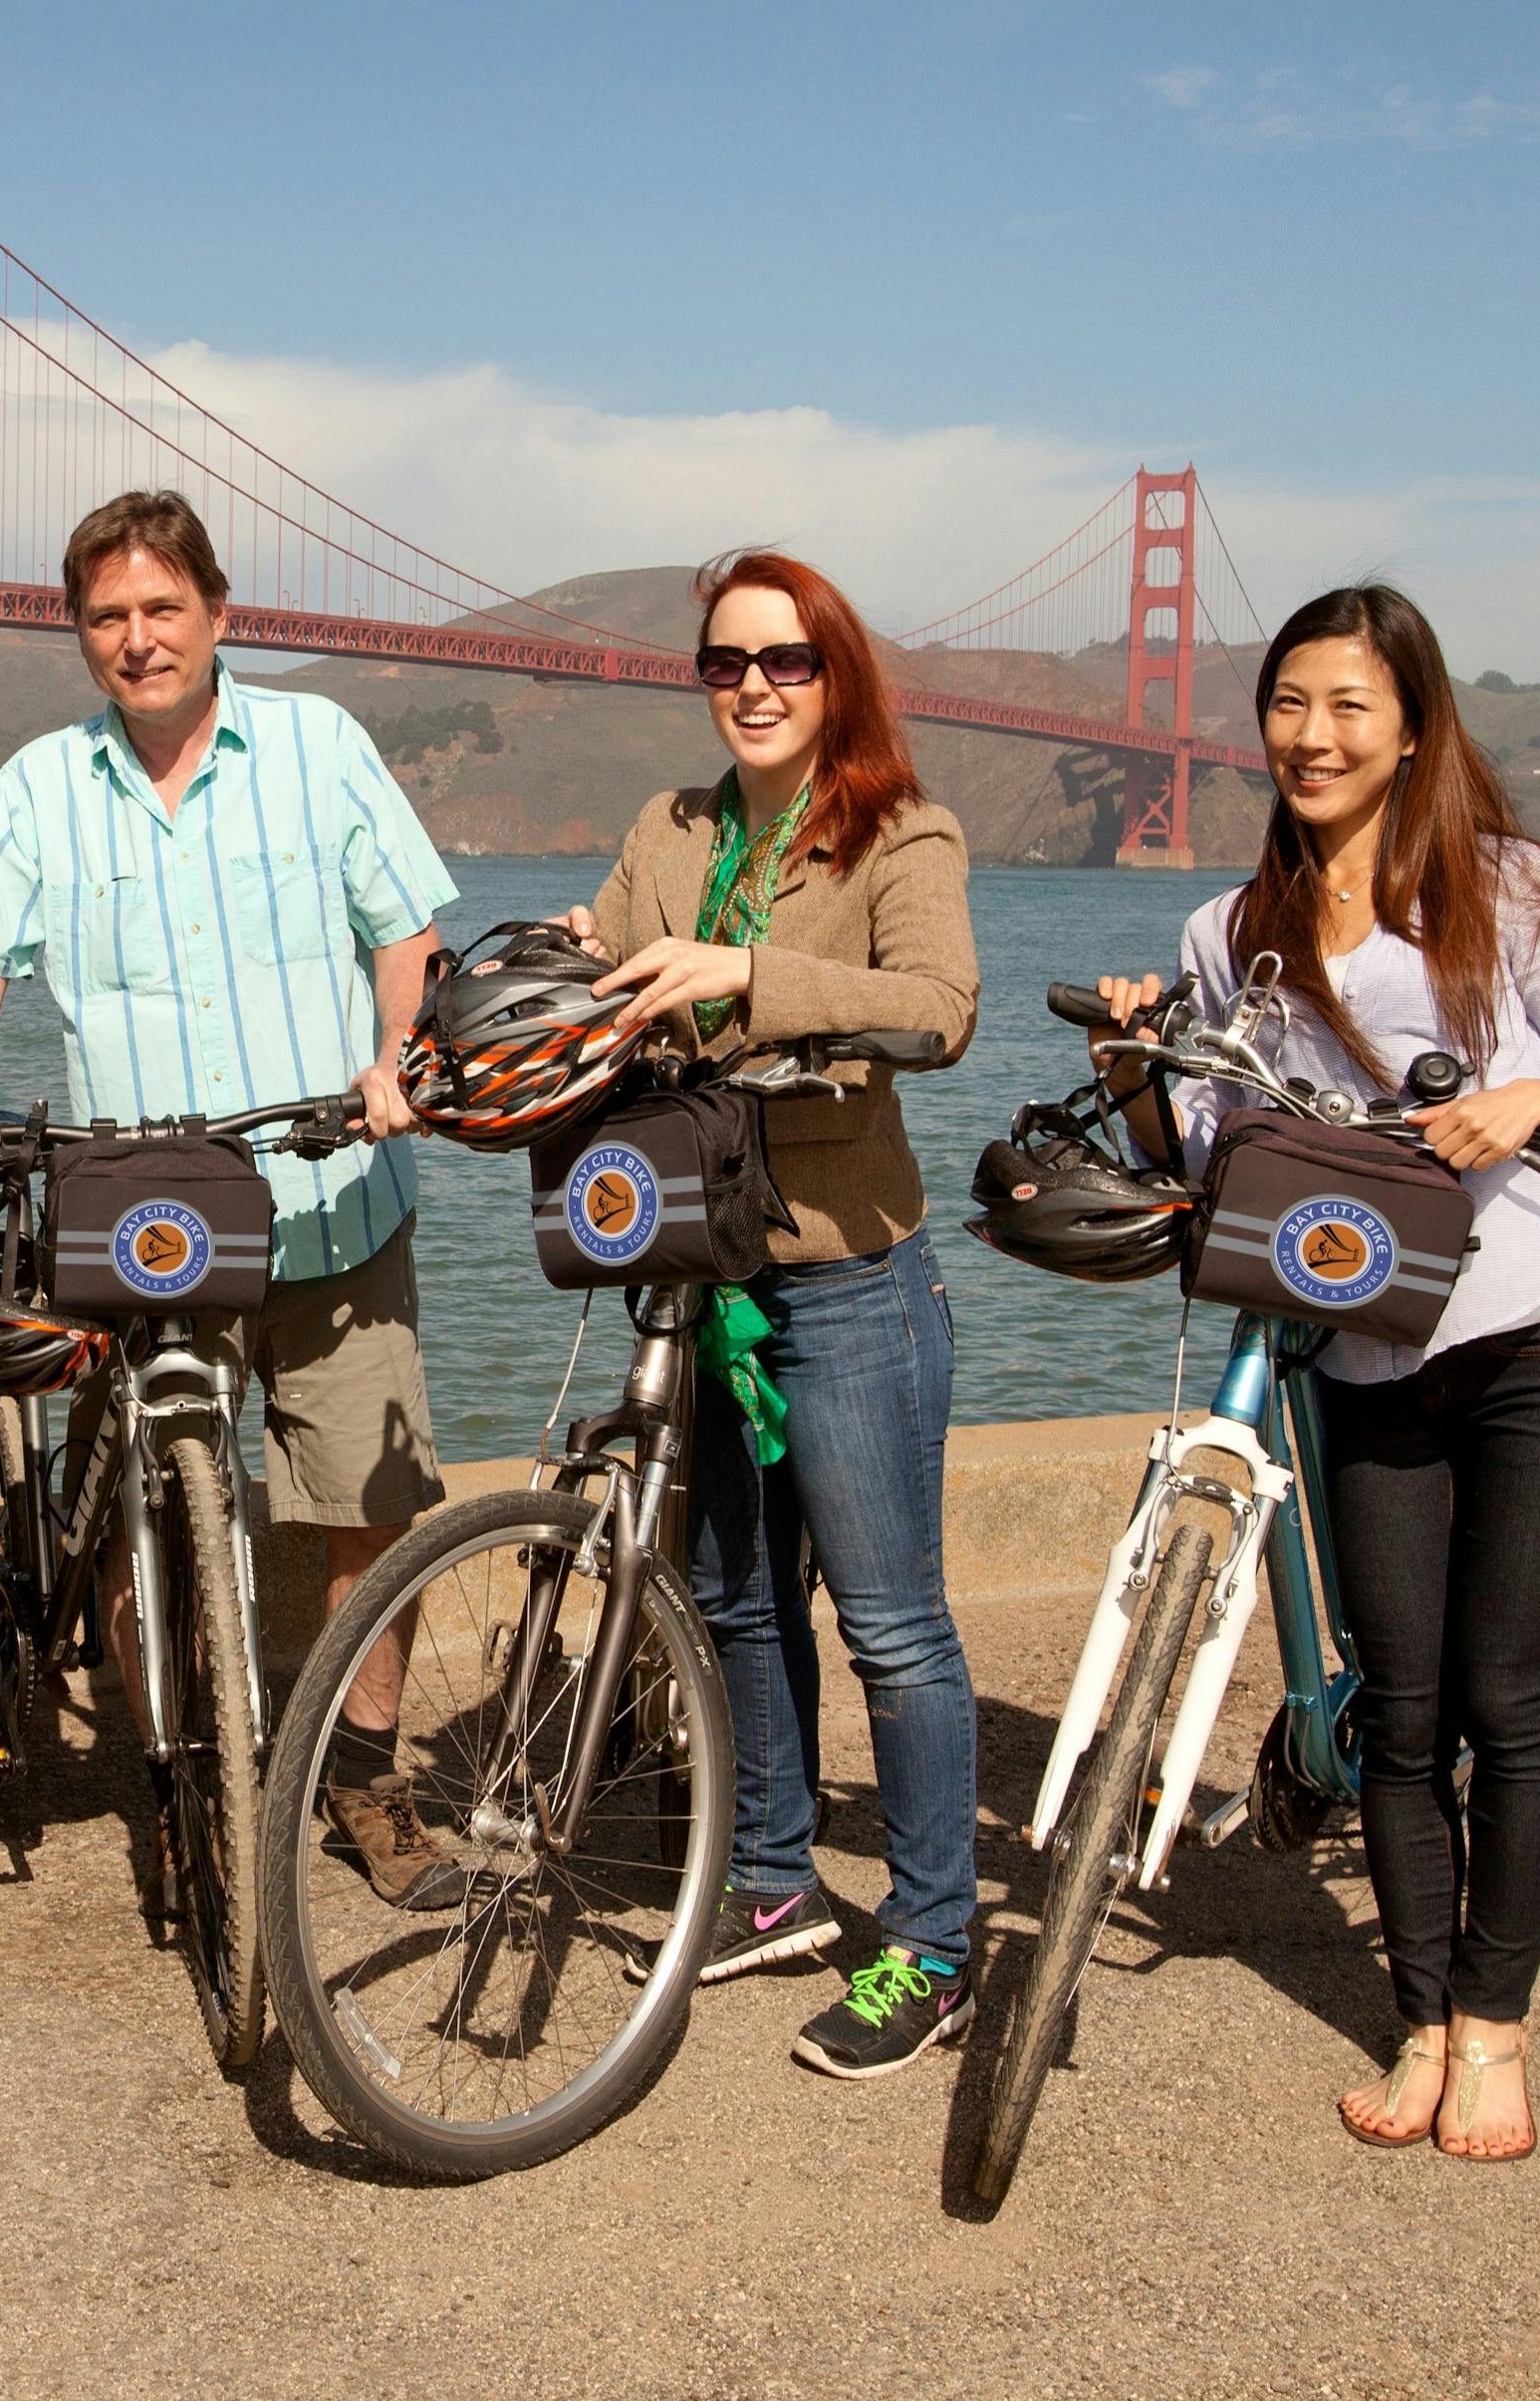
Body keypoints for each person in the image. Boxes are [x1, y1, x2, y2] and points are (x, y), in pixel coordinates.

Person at [1087, 580, 1540, 2164]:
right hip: (1366, 1330)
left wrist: (1526, 1103)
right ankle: (1419, 2020)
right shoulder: (1225, 930)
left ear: (1411, 725)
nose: (1313, 736)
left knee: (1506, 1694)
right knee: (1398, 1705)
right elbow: (1206, 1153)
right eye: (1288, 704)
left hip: (1536, 1317)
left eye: (1349, 706)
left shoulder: (1505, 883)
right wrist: (1140, 1058)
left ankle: (1497, 2026)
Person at [0, 489, 462, 1902]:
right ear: (79, 635)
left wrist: (398, 1050)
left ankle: (364, 1778)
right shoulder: (40, 787)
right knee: (138, 1511)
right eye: (106, 615)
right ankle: (179, 1771)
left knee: (368, 1501)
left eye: (163, 608)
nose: (137, 638)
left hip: (334, 1187)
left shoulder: (318, 744)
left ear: (219, 614)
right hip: (138, 1214)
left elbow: (405, 927)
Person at [556, 547, 983, 2078]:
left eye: (786, 661)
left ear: (836, 676)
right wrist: (542, 975)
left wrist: (747, 967)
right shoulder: (665, 830)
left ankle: (937, 1944)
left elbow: (938, 1006)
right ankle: (776, 1878)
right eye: (724, 661)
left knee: (892, 1627)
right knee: (737, 1601)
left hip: (850, 1278)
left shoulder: (898, 829)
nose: (752, 684)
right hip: (699, 1274)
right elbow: (601, 948)